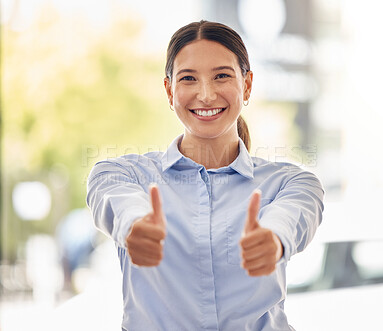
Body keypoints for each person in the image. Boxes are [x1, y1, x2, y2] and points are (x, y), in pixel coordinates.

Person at [86, 20, 324, 331]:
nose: (207, 95)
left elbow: (291, 216)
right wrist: (135, 226)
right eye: (188, 79)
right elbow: (118, 201)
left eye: (222, 76)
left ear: (247, 85)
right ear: (170, 91)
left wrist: (273, 239)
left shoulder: (292, 183)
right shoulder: (121, 175)